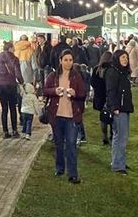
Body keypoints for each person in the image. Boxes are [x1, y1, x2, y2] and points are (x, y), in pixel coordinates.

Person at [43, 50, 86, 184]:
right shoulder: (53, 76)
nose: (68, 62)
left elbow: (83, 94)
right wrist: (54, 91)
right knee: (59, 144)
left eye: (70, 60)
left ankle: (73, 174)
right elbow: (44, 90)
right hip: (56, 115)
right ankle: (60, 168)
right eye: (66, 60)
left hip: (72, 116)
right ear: (60, 61)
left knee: (71, 144)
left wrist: (75, 93)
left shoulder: (76, 76)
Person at [105, 49, 134, 174]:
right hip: (118, 109)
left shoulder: (122, 73)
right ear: (117, 58)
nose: (125, 60)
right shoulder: (113, 72)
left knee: (122, 136)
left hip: (124, 107)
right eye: (122, 57)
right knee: (120, 137)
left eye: (126, 58)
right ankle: (118, 165)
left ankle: (119, 161)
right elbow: (111, 91)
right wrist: (114, 107)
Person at [0, 41, 23, 138]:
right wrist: (22, 82)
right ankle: (14, 130)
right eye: (13, 47)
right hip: (11, 85)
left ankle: (5, 131)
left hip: (0, 85)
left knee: (4, 109)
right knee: (13, 108)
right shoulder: (14, 58)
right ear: (9, 48)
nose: (14, 49)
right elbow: (18, 74)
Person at [90, 52, 113, 145]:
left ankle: (104, 136)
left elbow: (92, 82)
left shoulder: (97, 69)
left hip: (99, 96)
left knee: (103, 117)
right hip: (109, 95)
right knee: (111, 116)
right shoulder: (111, 69)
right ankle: (112, 134)